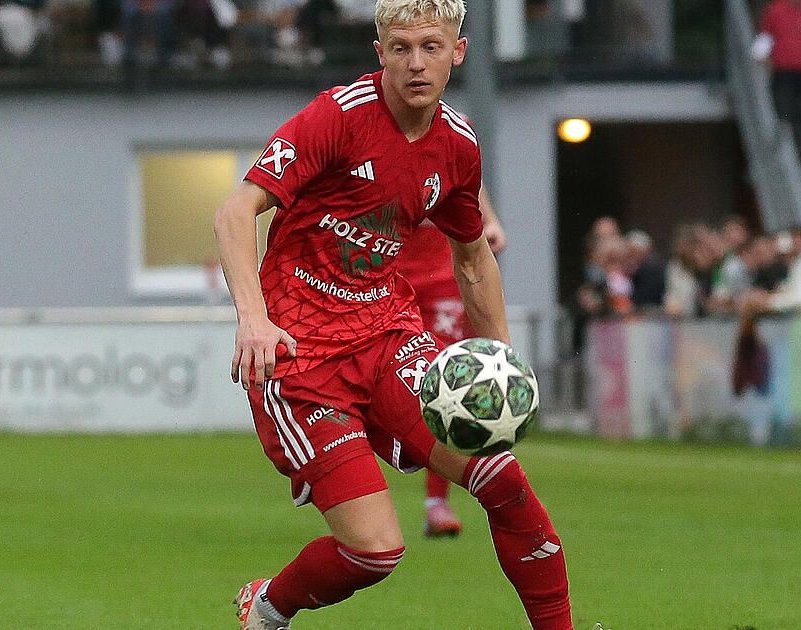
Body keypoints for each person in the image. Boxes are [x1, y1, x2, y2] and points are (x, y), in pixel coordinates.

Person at [212, 1, 573, 628]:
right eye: (400, 48)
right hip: (303, 357)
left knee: (505, 483)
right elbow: (235, 212)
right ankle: (268, 608)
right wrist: (253, 319)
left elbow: (474, 260)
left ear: (458, 51)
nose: (416, 63)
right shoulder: (337, 118)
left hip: (389, 338)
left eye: (431, 47)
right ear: (379, 52)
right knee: (376, 551)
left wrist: (500, 361)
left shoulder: (457, 145)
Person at [398, 183, 507, 538]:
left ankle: (436, 502)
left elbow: (470, 179)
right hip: (386, 267)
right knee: (371, 374)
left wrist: (489, 220)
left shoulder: (452, 129)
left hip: (443, 272)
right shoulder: (369, 129)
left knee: (448, 380)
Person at [753, 0, 801, 186]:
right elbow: (766, 38)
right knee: (783, 115)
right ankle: (783, 159)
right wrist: (758, 55)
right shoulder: (776, 10)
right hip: (783, 73)